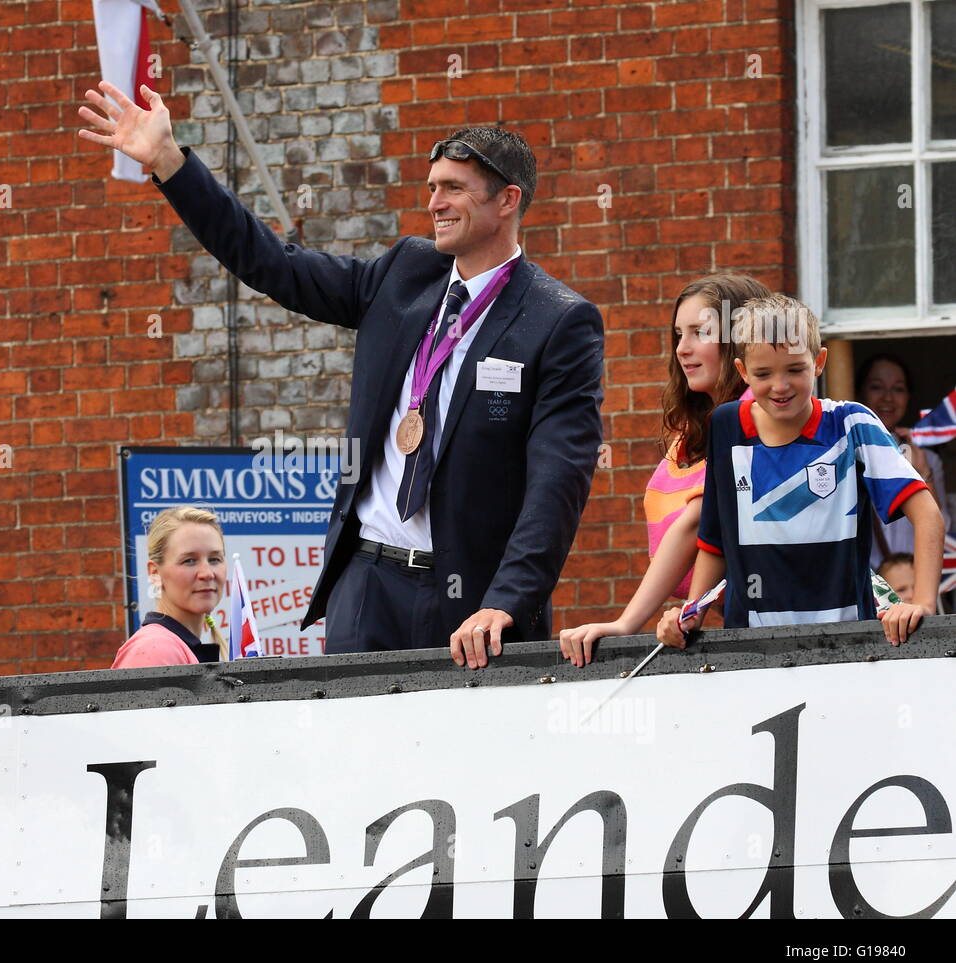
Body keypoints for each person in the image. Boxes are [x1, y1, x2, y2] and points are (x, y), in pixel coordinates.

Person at [79, 83, 604, 670]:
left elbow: (557, 482)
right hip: (365, 587)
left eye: (453, 188)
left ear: (508, 201)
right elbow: (273, 263)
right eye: (431, 187)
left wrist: (507, 601)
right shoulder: (404, 275)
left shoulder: (558, 320)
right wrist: (172, 164)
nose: (434, 202)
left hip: (470, 605)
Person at [656, 294, 942, 650]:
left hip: (851, 643)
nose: (780, 386)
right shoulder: (725, 426)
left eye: (795, 369)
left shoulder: (852, 423)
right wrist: (693, 610)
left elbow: (928, 514)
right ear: (743, 371)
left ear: (818, 361)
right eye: (763, 373)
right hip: (752, 648)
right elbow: (716, 541)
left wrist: (924, 603)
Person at [559, 273, 771, 667]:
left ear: (741, 341)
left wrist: (627, 623)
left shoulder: (757, 415)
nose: (683, 349)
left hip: (780, 627)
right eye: (678, 334)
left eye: (699, 332)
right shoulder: (689, 433)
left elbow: (696, 524)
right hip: (736, 626)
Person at [856, 353, 951, 567]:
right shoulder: (845, 451)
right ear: (860, 392)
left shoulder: (927, 459)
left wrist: (923, 473)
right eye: (876, 387)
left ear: (908, 396)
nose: (888, 398)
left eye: (898, 389)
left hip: (914, 579)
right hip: (864, 582)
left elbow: (942, 526)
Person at [113, 506, 228, 668]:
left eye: (215, 559)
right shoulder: (156, 649)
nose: (207, 573)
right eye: (189, 561)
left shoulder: (174, 646)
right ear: (154, 573)